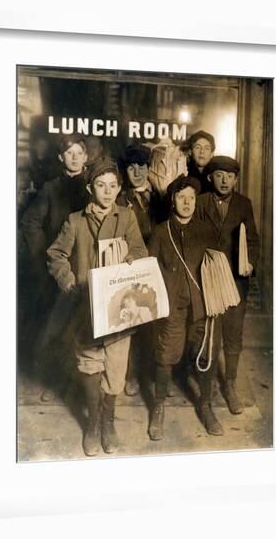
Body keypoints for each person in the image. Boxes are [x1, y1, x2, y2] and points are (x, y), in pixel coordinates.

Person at [47, 157, 148, 457]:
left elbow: (140, 249)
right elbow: (55, 255)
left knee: (116, 369)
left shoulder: (127, 217)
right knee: (90, 364)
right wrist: (69, 283)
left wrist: (133, 260)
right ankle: (92, 424)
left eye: (113, 186)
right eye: (101, 185)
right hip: (86, 309)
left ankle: (108, 422)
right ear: (90, 187)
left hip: (119, 309)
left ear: (119, 189)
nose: (107, 191)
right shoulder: (76, 220)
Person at [148, 175, 223, 440]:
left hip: (203, 306)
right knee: (165, 354)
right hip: (172, 308)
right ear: (172, 200)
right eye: (182, 197)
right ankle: (158, 406)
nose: (187, 202)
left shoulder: (206, 231)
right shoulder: (160, 231)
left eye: (191, 198)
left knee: (206, 355)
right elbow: (149, 270)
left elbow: (219, 267)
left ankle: (205, 405)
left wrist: (217, 298)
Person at [20, 135, 90, 401]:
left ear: (85, 157)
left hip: (87, 265)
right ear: (61, 158)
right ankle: (56, 383)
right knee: (57, 328)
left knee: (87, 327)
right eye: (68, 152)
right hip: (58, 269)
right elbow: (30, 223)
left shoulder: (95, 184)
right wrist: (44, 256)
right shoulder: (51, 188)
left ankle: (87, 385)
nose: (74, 157)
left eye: (78, 152)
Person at [196, 156, 260, 414]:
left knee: (233, 335)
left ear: (236, 179)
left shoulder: (244, 204)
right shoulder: (199, 202)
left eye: (230, 176)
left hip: (235, 280)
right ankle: (206, 391)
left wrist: (250, 264)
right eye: (219, 175)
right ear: (210, 177)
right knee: (209, 336)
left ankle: (230, 385)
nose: (224, 180)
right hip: (207, 279)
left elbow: (253, 241)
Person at [117, 144, 164, 395]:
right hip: (132, 267)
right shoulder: (119, 199)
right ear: (125, 171)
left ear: (149, 168)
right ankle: (132, 374)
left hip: (157, 267)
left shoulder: (162, 197)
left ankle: (154, 374)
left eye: (142, 167)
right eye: (131, 168)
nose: (137, 173)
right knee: (132, 322)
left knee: (156, 321)